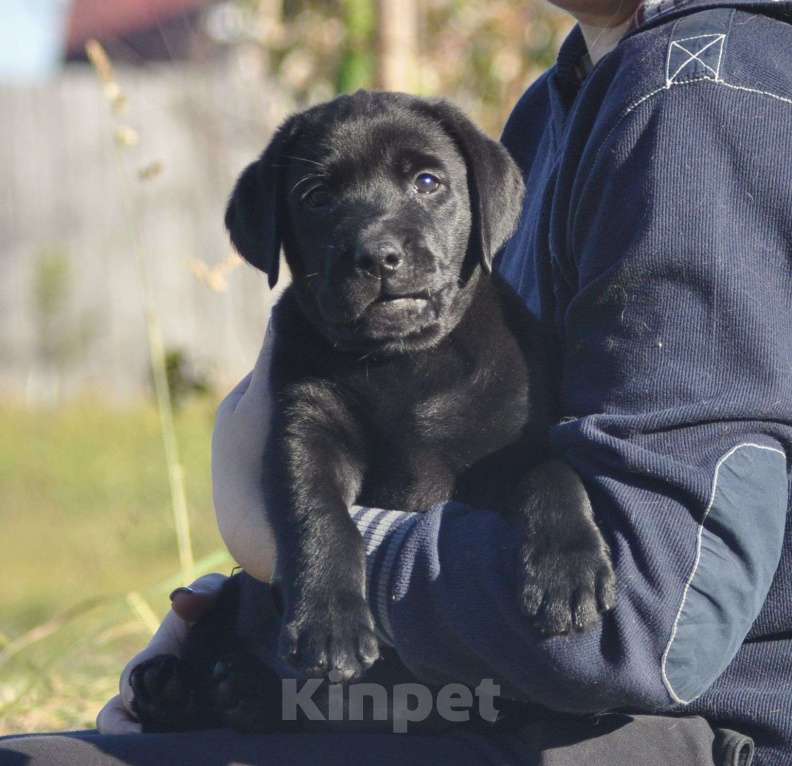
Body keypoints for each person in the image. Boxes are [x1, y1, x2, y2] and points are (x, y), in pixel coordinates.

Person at [3, 0, 792, 763]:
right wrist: (258, 616)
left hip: (675, 732)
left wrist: (294, 549)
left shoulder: (697, 93)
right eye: (320, 199)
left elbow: (647, 628)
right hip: (478, 691)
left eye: (425, 186)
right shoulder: (566, 100)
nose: (383, 242)